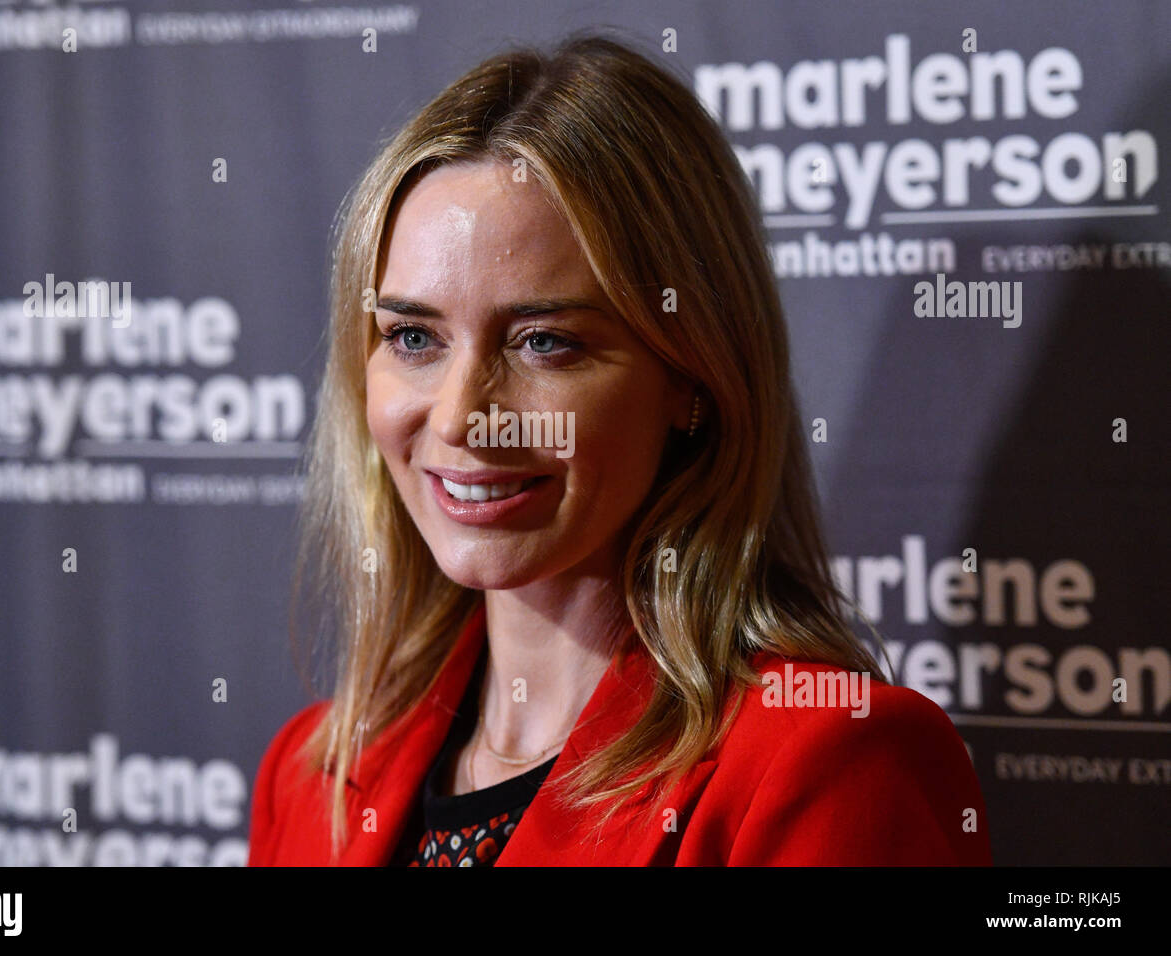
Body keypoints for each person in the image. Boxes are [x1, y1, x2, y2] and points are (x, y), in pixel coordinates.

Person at [248, 33, 992, 866]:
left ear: (694, 377)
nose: (461, 418)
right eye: (414, 336)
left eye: (543, 342)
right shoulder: (312, 774)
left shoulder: (829, 762)